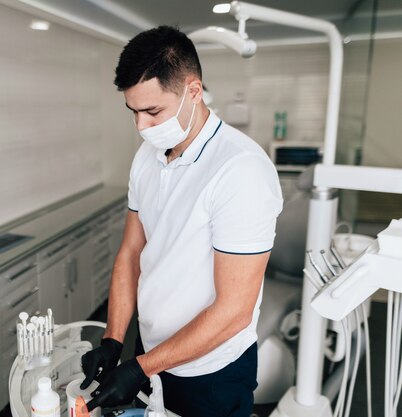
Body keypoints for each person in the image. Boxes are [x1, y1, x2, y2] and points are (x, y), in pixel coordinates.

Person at [80, 26, 283, 417]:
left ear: (193, 90)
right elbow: (130, 254)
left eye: (152, 111)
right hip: (150, 351)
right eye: (133, 111)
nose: (141, 126)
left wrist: (140, 368)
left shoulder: (241, 171)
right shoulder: (148, 156)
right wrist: (113, 339)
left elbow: (234, 311)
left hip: (210, 370)